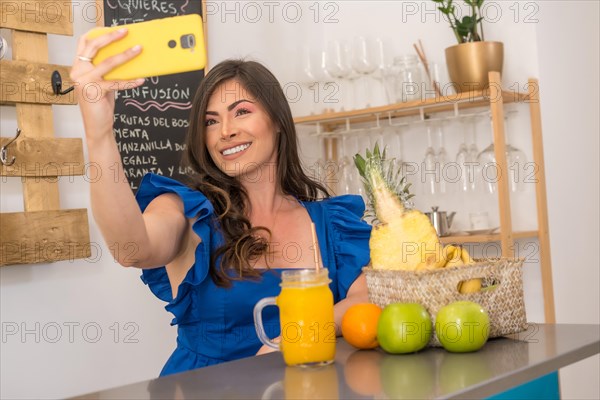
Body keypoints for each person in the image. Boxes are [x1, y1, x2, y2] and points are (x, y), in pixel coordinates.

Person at [70, 28, 371, 376]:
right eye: (211, 121)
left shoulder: (331, 221)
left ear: (277, 121)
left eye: (241, 112)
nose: (225, 130)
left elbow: (364, 300)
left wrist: (295, 336)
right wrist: (98, 133)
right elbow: (130, 249)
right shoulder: (189, 211)